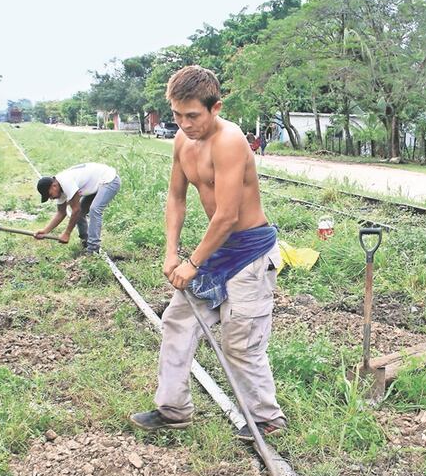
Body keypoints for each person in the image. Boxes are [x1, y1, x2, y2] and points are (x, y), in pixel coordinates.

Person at [130, 65, 286, 441]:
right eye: (177, 115)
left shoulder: (230, 141)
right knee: (177, 322)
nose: (184, 124)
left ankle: (267, 418)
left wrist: (193, 262)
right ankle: (173, 410)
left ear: (216, 107)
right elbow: (176, 197)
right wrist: (171, 252)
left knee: (240, 340)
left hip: (248, 252)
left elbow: (228, 215)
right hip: (216, 250)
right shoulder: (183, 142)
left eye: (193, 115)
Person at [34, 163, 121, 252]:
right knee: (80, 213)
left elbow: (76, 210)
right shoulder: (59, 187)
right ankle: (85, 241)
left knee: (94, 210)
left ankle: (93, 249)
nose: (51, 198)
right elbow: (61, 213)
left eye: (50, 195)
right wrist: (45, 231)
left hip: (109, 180)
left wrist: (67, 233)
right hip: (97, 184)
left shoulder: (65, 182)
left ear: (54, 186)